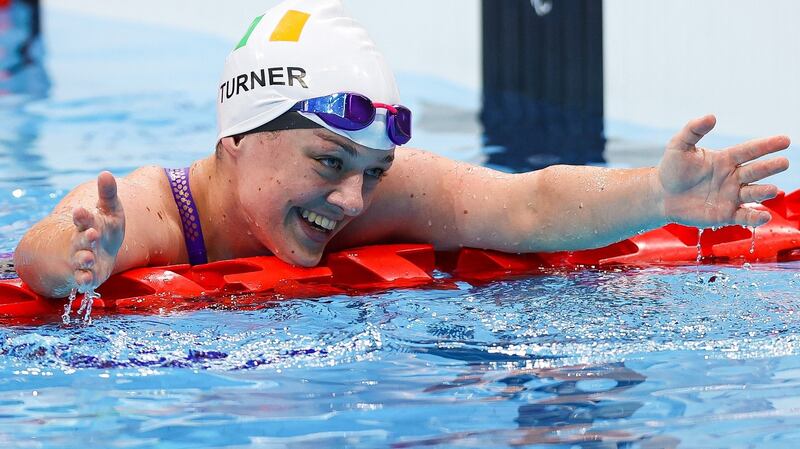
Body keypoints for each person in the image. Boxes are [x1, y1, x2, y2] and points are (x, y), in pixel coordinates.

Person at [13, 0, 790, 298]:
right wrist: (81, 256)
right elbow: (40, 251)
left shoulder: (372, 197)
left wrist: (657, 196)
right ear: (239, 141)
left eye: (371, 172)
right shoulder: (152, 209)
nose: (352, 198)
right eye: (329, 162)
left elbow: (524, 205)